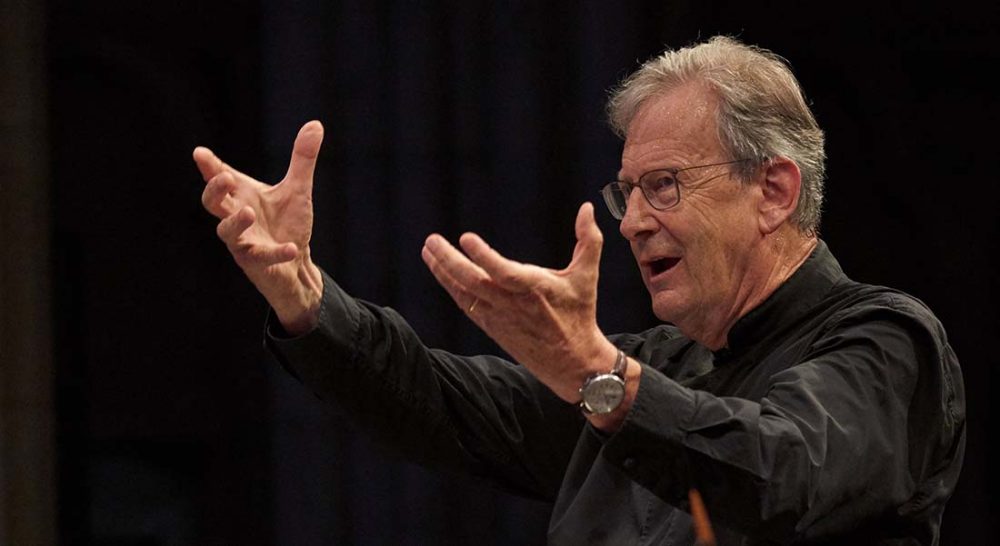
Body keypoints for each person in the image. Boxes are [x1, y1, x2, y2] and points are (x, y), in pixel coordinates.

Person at [194, 36, 965, 545]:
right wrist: (303, 294)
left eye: (663, 186)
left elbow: (781, 472)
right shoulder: (651, 367)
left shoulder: (886, 342)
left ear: (773, 190)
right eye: (626, 192)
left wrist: (600, 376)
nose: (631, 222)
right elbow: (440, 400)